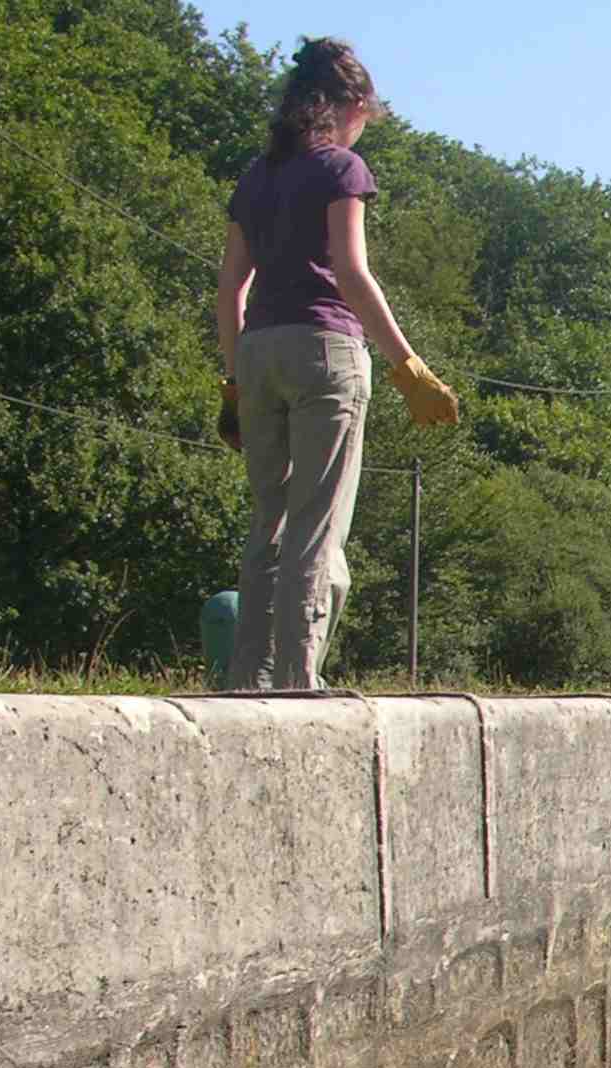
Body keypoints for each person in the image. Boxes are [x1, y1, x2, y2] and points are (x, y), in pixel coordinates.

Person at [213, 38, 459, 691]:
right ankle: (299, 677)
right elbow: (351, 273)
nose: (363, 130)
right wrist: (408, 365)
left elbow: (230, 288)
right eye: (364, 117)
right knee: (316, 525)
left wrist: (235, 382)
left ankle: (250, 675)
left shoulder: (255, 176)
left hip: (258, 352)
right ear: (351, 105)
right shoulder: (340, 169)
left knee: (268, 520)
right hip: (325, 350)